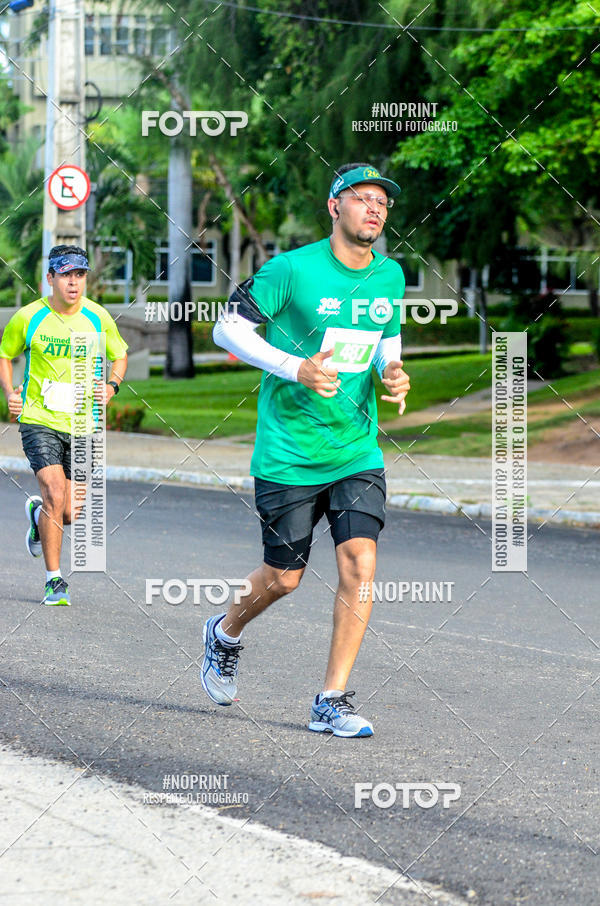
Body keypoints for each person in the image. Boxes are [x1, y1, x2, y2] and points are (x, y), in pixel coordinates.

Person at [204, 162, 410, 738]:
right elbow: (228, 330)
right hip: (289, 451)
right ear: (334, 207)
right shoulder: (291, 270)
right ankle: (224, 633)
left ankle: (332, 699)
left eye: (382, 202)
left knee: (359, 562)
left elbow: (382, 340)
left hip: (355, 449)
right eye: (362, 198)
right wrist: (293, 366)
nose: (375, 209)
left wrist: (392, 372)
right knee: (284, 577)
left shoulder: (390, 275)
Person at [0, 245, 128, 605]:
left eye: (80, 275)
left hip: (83, 422)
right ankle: (54, 581)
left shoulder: (98, 317)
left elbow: (120, 354)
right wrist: (11, 392)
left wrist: (111, 386)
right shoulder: (28, 317)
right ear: (50, 278)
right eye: (66, 274)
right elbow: (5, 354)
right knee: (55, 493)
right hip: (39, 418)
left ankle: (37, 515)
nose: (74, 282)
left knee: (71, 511)